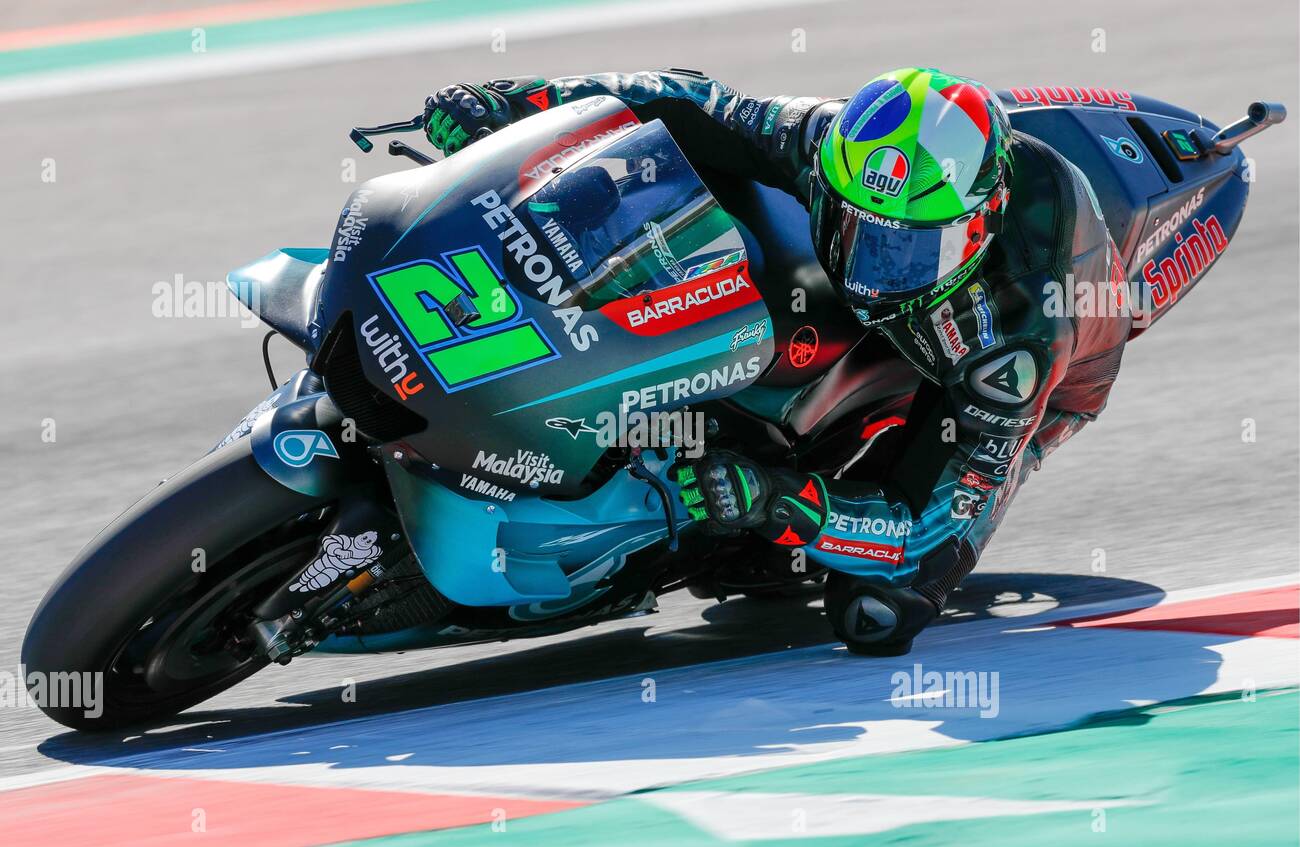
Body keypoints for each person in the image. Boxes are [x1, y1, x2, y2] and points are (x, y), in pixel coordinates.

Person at [423, 67, 1131, 655]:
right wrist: (520, 103)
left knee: (879, 609)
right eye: (857, 227)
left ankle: (767, 508)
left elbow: (924, 527)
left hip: (1023, 380)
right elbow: (681, 101)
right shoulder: (830, 145)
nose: (873, 267)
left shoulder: (1014, 340)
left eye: (908, 250)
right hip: (893, 302)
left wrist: (779, 497)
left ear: (977, 225)